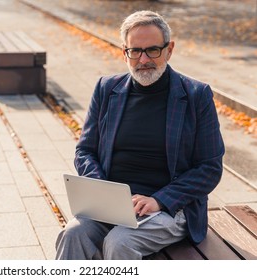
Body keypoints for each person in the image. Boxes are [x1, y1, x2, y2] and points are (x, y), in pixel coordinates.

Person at [55, 10, 225, 260]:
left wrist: (160, 200)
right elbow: (85, 150)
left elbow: (209, 168)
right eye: (135, 51)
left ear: (169, 49)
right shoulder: (106, 88)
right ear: (124, 52)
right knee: (73, 234)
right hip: (111, 206)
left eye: (153, 50)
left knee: (120, 242)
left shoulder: (196, 96)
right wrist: (102, 191)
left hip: (168, 208)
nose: (143, 59)